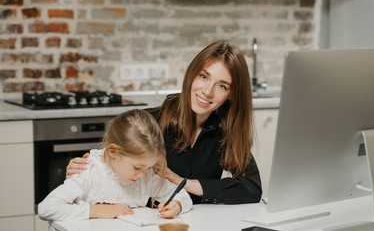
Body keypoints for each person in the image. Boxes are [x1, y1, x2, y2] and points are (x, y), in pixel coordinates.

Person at [66, 40, 262, 205]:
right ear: (192, 74)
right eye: (203, 77)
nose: (208, 92)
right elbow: (108, 170)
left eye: (221, 86)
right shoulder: (148, 122)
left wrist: (184, 183)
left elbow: (252, 188)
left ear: (231, 94)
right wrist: (83, 172)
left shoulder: (225, 131)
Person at [38, 109, 192, 221]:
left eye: (148, 167)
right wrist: (97, 210)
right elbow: (46, 208)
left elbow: (181, 194)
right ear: (113, 152)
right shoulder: (89, 171)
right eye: (137, 167)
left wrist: (177, 205)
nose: (143, 175)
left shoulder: (145, 178)